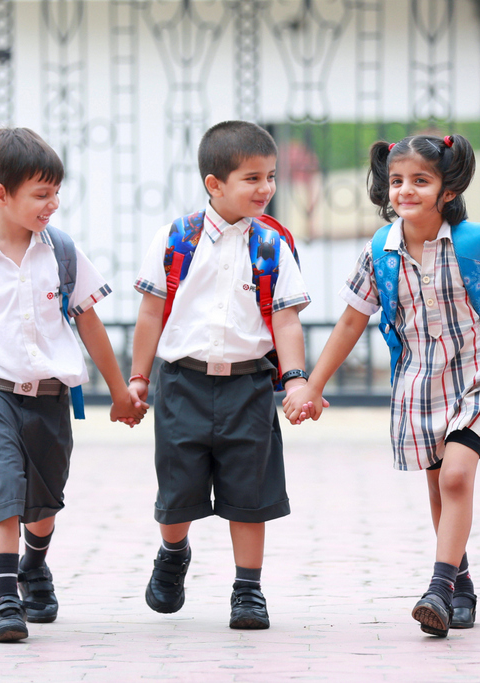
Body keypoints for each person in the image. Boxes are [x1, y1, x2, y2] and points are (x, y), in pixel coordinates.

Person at [283, 134, 480, 637]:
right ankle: (460, 586)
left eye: (420, 181)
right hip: (419, 382)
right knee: (438, 484)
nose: (405, 190)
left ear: (447, 189)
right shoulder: (380, 253)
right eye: (396, 180)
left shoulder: (475, 243)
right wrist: (313, 387)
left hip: (477, 374)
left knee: (455, 477)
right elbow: (349, 323)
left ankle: (437, 587)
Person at [0, 128, 147, 642]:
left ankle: (35, 565)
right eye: (41, 194)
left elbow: (89, 323)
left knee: (44, 501)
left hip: (50, 396)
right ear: (0, 196)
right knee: (5, 488)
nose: (53, 204)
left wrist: (120, 393)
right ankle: (6, 600)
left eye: (56, 193)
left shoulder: (63, 252)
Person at [128, 120, 311, 630]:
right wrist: (139, 378)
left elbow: (285, 316)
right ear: (215, 184)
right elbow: (150, 311)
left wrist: (295, 378)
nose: (267, 189)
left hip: (249, 385)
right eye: (252, 178)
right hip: (182, 383)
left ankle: (247, 590)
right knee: (179, 486)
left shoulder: (273, 244)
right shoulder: (177, 237)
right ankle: (173, 553)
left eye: (271, 177)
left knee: (249, 493)